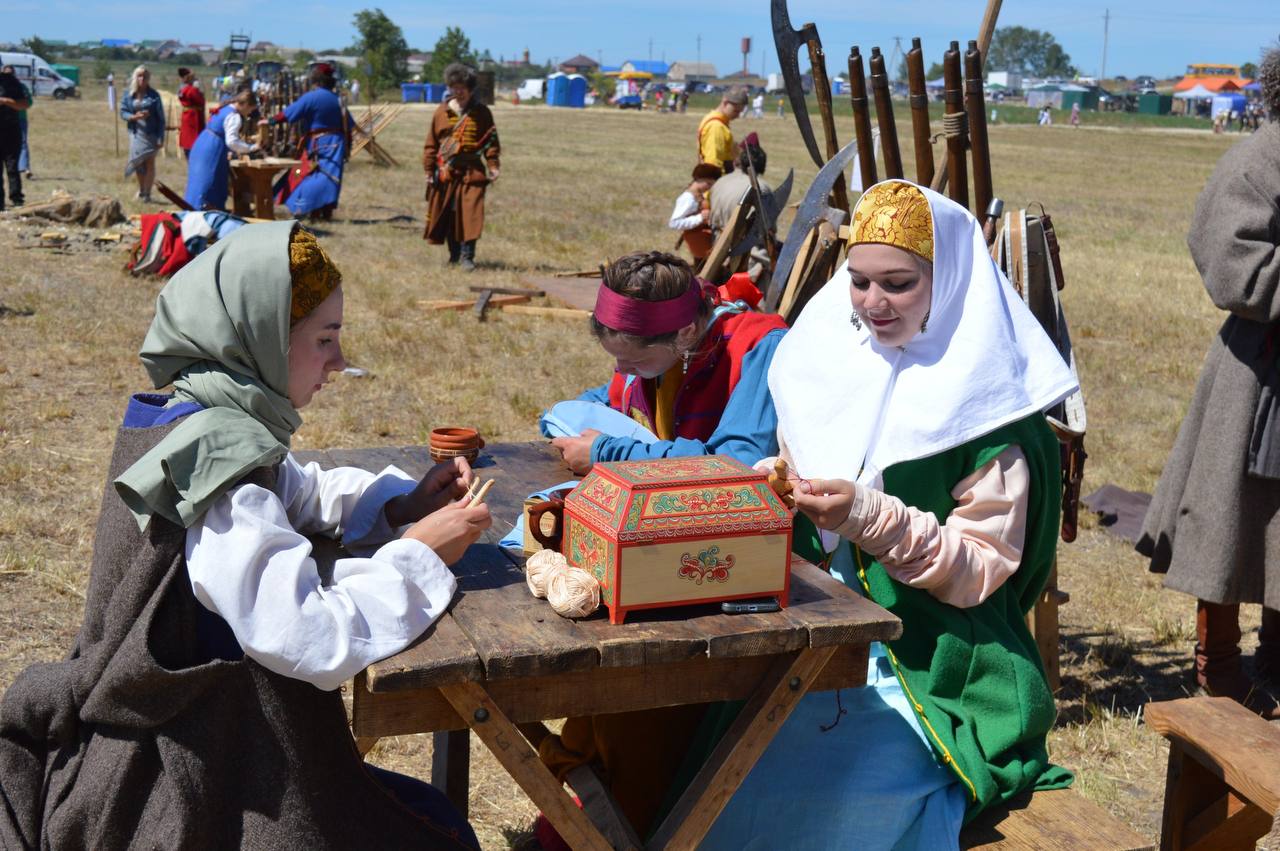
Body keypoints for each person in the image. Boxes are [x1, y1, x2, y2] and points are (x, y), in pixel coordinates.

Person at [0, 221, 488, 849]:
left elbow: (294, 489)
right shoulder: (221, 472)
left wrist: (397, 505)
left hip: (197, 731)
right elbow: (307, 635)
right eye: (324, 339)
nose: (339, 361)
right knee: (438, 832)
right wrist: (419, 556)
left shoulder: (200, 414)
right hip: (177, 774)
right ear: (258, 339)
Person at [682, 179, 1079, 848]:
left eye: (897, 282)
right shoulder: (829, 361)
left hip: (936, 657)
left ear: (946, 278)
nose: (872, 303)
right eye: (859, 281)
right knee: (718, 778)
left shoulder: (992, 413)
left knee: (816, 799)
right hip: (814, 634)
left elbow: (980, 571)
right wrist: (776, 491)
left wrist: (871, 516)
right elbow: (798, 476)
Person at [538, 251, 788, 838]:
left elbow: (740, 468)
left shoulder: (758, 347)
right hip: (642, 547)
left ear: (683, 329)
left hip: (720, 569)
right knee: (599, 691)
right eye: (615, 356)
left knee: (647, 714)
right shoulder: (661, 349)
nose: (626, 370)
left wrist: (608, 452)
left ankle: (628, 828)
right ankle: (583, 818)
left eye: (635, 357)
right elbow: (616, 394)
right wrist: (576, 416)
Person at [1137, 45, 1280, 719]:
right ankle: (1219, 669)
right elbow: (1226, 254)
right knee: (1227, 518)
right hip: (1258, 374)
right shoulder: (1262, 156)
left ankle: (1277, 658)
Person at [423, 63, 501, 271]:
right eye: (454, 87)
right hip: (447, 171)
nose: (459, 91)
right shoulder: (441, 112)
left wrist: (493, 165)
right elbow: (431, 144)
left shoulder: (482, 112)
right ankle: (454, 255)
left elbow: (491, 141)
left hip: (473, 171)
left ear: (470, 88)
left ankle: (468, 256)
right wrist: (429, 170)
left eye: (462, 87)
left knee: (471, 213)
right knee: (449, 214)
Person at [274, 65, 351, 221]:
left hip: (318, 143)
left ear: (316, 81)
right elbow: (349, 125)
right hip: (337, 143)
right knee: (328, 178)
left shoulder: (312, 97)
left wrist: (270, 121)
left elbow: (289, 113)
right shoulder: (337, 99)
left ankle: (306, 208)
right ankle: (324, 211)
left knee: (309, 175)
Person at [709, 133, 775, 284]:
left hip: (717, 249)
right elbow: (768, 229)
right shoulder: (762, 188)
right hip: (749, 255)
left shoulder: (721, 181)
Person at [184, 89, 261, 210]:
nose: (249, 113)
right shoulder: (234, 116)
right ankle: (205, 211)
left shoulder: (224, 108)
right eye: (250, 109)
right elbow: (232, 142)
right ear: (245, 104)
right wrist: (251, 148)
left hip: (202, 143)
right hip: (212, 149)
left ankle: (192, 208)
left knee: (198, 181)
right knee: (209, 181)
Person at [120, 65, 164, 202]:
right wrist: (133, 117)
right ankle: (142, 189)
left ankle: (147, 194)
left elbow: (161, 118)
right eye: (139, 75)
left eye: (145, 76)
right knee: (138, 163)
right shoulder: (128, 94)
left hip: (151, 133)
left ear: (148, 78)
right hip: (135, 133)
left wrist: (160, 137)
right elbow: (123, 112)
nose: (142, 78)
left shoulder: (154, 95)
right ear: (135, 77)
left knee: (150, 162)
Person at [667, 162, 720, 266]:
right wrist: (700, 217)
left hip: (703, 239)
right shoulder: (688, 198)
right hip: (697, 240)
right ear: (699, 179)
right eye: (708, 183)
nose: (709, 187)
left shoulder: (698, 195)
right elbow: (674, 223)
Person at [697, 86, 748, 173]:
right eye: (736, 111)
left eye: (740, 112)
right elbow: (713, 164)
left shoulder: (717, 121)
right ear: (725, 102)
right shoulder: (716, 127)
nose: (738, 116)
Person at [0, 65, 30, 208]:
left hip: (10, 128)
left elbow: (23, 104)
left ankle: (17, 199)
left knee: (12, 167)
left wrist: (5, 101)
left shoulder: (11, 82)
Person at [177, 67, 206, 160]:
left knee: (188, 139)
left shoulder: (183, 88)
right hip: (194, 117)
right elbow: (201, 101)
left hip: (187, 114)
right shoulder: (191, 89)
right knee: (193, 139)